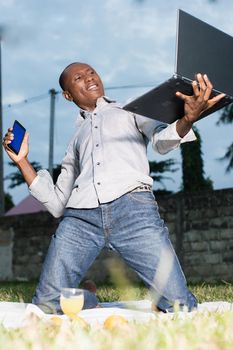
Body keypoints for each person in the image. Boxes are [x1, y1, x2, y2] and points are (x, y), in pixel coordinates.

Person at [2, 62, 225, 313]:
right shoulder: (75, 139)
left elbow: (162, 142)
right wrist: (22, 161)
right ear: (67, 94)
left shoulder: (130, 108)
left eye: (91, 72)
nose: (89, 77)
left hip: (133, 211)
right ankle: (86, 297)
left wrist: (187, 119)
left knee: (179, 306)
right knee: (46, 306)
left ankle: (88, 296)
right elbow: (56, 204)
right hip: (80, 219)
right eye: (78, 77)